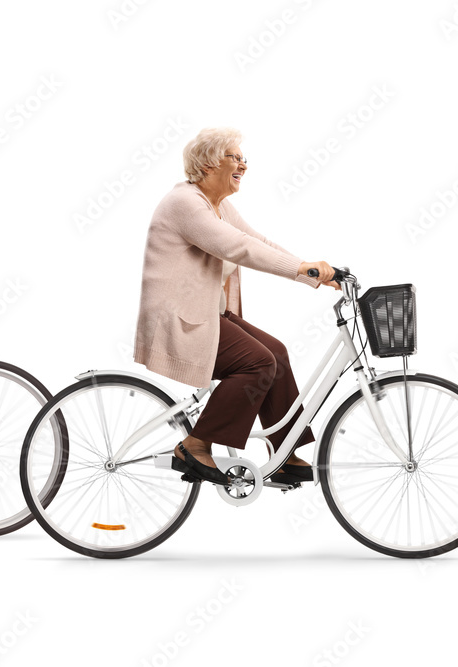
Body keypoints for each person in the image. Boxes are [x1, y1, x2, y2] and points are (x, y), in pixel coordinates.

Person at [133, 127, 337, 486]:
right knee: (257, 362)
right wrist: (302, 269)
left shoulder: (220, 206)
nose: (243, 165)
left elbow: (256, 240)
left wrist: (311, 272)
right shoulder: (185, 203)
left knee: (277, 353)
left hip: (206, 314)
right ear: (208, 164)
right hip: (178, 320)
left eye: (244, 159)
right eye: (234, 157)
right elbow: (238, 247)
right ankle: (194, 446)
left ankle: (283, 454)